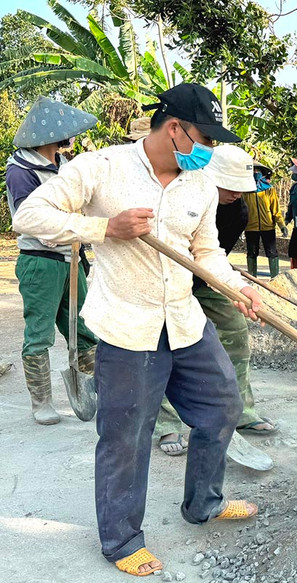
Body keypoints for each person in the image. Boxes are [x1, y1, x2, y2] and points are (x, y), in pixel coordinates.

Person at [12, 82, 265, 576]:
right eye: (205, 138)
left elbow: (207, 252)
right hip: (127, 326)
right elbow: (29, 215)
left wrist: (236, 286)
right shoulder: (102, 168)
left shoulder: (200, 185)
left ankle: (204, 503)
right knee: (125, 436)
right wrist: (104, 228)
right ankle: (122, 539)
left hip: (185, 322)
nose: (209, 149)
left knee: (223, 408)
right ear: (175, 129)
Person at [155, 144, 277, 456]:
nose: (237, 193)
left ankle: (241, 410)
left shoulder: (238, 211)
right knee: (165, 344)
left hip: (205, 277)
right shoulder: (178, 198)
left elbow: (212, 255)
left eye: (241, 188)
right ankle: (166, 423)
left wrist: (233, 285)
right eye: (230, 186)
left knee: (235, 327)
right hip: (166, 280)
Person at [6, 96, 99, 425]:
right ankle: (41, 402)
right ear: (51, 137)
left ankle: (96, 391)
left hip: (71, 257)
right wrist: (68, 228)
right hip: (41, 260)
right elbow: (29, 219)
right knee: (40, 333)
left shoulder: (63, 166)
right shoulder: (21, 170)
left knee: (84, 329)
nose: (70, 138)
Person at [244, 161, 287, 278]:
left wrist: (282, 225)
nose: (255, 173)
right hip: (250, 227)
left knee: (272, 252)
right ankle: (252, 278)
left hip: (268, 226)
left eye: (257, 171)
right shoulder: (245, 191)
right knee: (252, 253)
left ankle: (275, 278)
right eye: (253, 171)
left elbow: (276, 210)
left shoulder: (269, 189)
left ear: (262, 173)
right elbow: (241, 210)